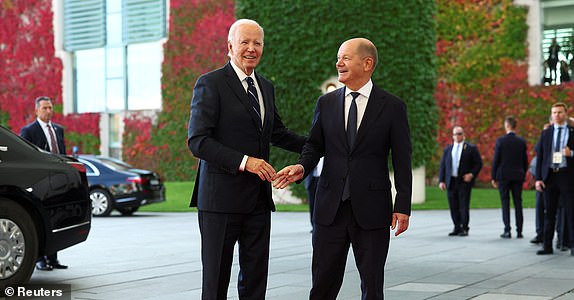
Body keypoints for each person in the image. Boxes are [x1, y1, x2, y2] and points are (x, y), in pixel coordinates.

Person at [274, 38, 412, 300]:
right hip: (329, 209)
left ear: (367, 63)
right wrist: (301, 167)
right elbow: (314, 146)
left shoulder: (393, 107)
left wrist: (402, 205)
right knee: (322, 285)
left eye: (345, 58)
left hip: (372, 210)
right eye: (338, 57)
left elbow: (403, 159)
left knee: (372, 286)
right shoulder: (325, 104)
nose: (338, 63)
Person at [187, 19, 306, 299]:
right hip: (220, 201)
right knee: (215, 282)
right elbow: (198, 141)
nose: (251, 48)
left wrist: (321, 144)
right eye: (245, 42)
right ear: (230, 46)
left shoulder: (265, 87)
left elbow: (277, 133)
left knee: (255, 280)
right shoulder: (210, 83)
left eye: (257, 43)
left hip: (258, 201)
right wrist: (246, 161)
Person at [20, 96, 68, 271]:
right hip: (39, 183)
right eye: (45, 108)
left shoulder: (58, 130)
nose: (49, 111)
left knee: (56, 219)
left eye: (50, 108)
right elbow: (24, 159)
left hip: (58, 182)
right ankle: (40, 259)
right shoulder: (28, 131)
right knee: (40, 220)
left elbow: (62, 154)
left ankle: (53, 259)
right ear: (36, 110)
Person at [535, 102, 574, 256]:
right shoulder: (546, 133)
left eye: (560, 112)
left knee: (571, 212)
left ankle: (572, 245)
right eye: (554, 112)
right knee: (549, 213)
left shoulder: (572, 132)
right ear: (551, 115)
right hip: (550, 176)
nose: (557, 115)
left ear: (565, 114)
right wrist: (538, 178)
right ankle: (547, 246)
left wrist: (571, 154)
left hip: (567, 176)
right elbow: (541, 157)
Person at [438, 126, 483, 236]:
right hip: (451, 181)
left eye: (459, 134)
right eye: (455, 134)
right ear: (452, 136)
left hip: (463, 181)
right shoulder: (448, 149)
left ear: (463, 135)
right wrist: (441, 180)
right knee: (453, 205)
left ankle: (464, 228)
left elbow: (478, 164)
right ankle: (456, 227)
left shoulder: (471, 148)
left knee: (463, 205)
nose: (457, 136)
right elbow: (443, 166)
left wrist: (472, 174)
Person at [490, 116, 528, 239]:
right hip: (517, 175)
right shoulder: (521, 141)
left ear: (507, 125)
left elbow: (496, 160)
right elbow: (525, 161)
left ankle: (507, 230)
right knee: (518, 203)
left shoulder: (501, 141)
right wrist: (523, 172)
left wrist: (493, 176)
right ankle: (519, 231)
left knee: (505, 203)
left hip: (504, 175)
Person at [304, 157, 323, 232]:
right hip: (312, 179)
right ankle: (314, 226)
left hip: (325, 179)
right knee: (312, 204)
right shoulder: (313, 147)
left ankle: (323, 226)